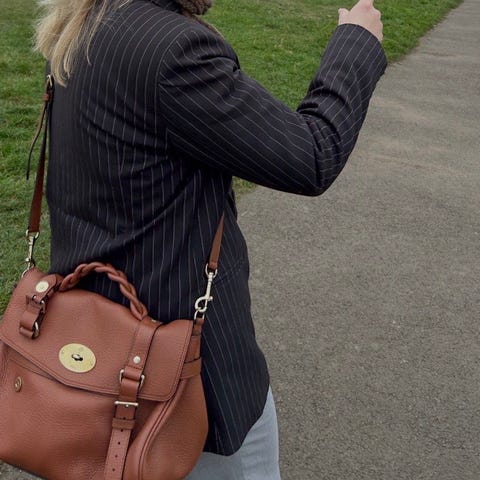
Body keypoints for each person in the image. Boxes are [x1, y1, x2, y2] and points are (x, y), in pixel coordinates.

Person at [35, 0, 386, 477]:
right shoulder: (175, 51)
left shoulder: (92, 20)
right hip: (179, 373)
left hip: (93, 347)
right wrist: (356, 42)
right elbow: (310, 154)